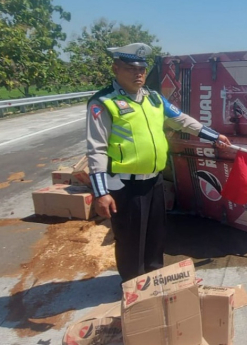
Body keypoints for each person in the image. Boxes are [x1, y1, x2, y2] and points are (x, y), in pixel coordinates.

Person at [85, 42, 230, 282]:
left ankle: (153, 282)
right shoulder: (103, 102)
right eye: (131, 68)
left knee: (155, 236)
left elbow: (182, 120)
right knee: (131, 240)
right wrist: (101, 193)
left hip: (153, 181)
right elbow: (96, 149)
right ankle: (132, 288)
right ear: (116, 68)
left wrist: (213, 136)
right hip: (123, 186)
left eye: (142, 68)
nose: (139, 73)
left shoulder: (154, 99)